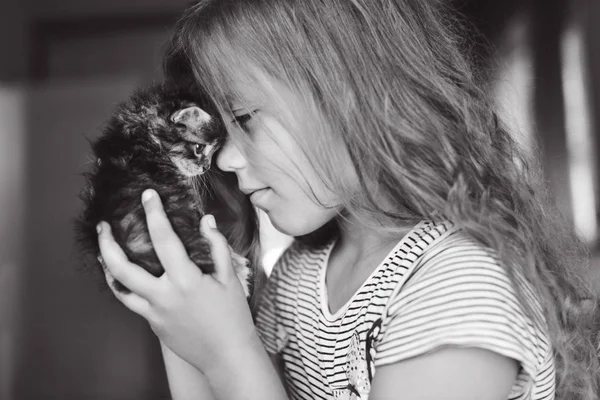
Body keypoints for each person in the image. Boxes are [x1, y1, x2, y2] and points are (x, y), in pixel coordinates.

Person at [96, 0, 600, 399]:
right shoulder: (299, 275)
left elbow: (236, 372)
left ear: (354, 90)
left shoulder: (459, 289)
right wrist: (180, 316)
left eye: (245, 118)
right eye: (218, 131)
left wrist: (229, 351)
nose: (224, 161)